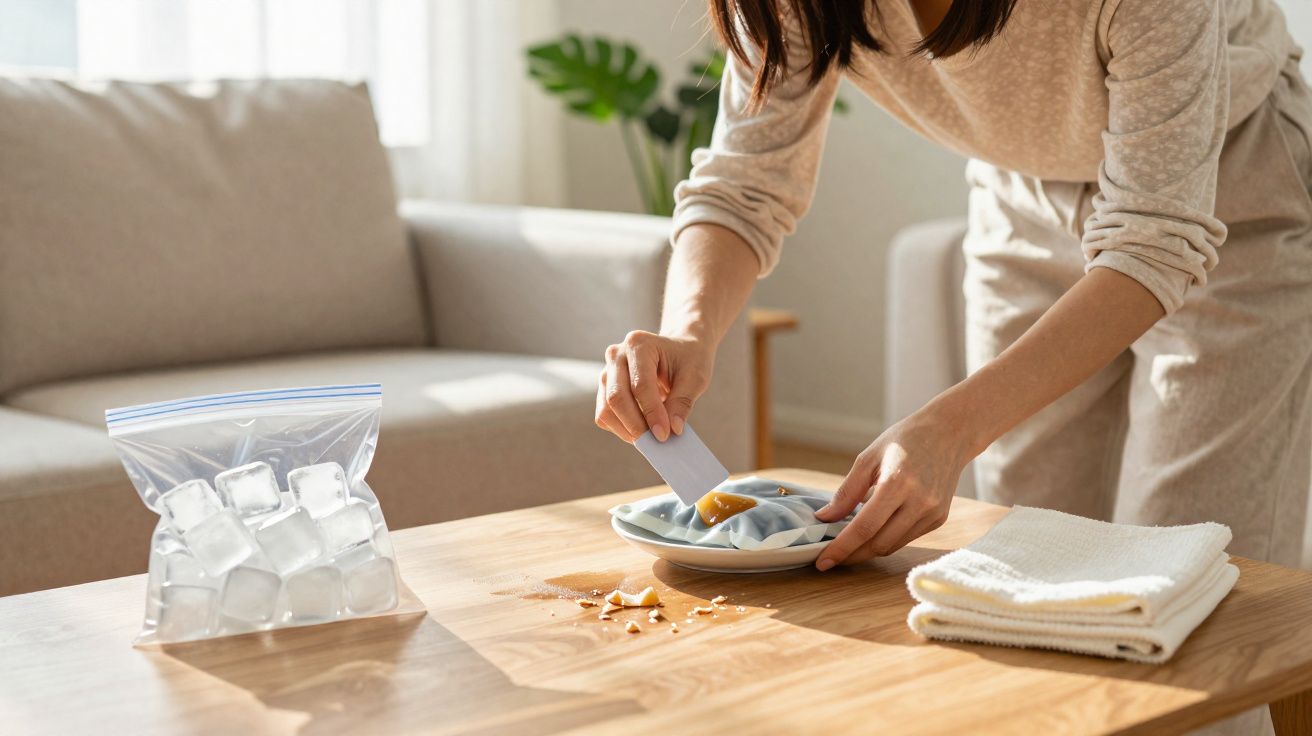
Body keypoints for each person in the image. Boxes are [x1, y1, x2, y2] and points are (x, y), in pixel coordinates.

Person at [595, 0, 1312, 579]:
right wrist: (688, 330)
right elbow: (744, 182)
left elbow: (1154, 239)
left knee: (1186, 573)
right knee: (1026, 574)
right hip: (1022, 196)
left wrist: (951, 428)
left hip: (1228, 198)